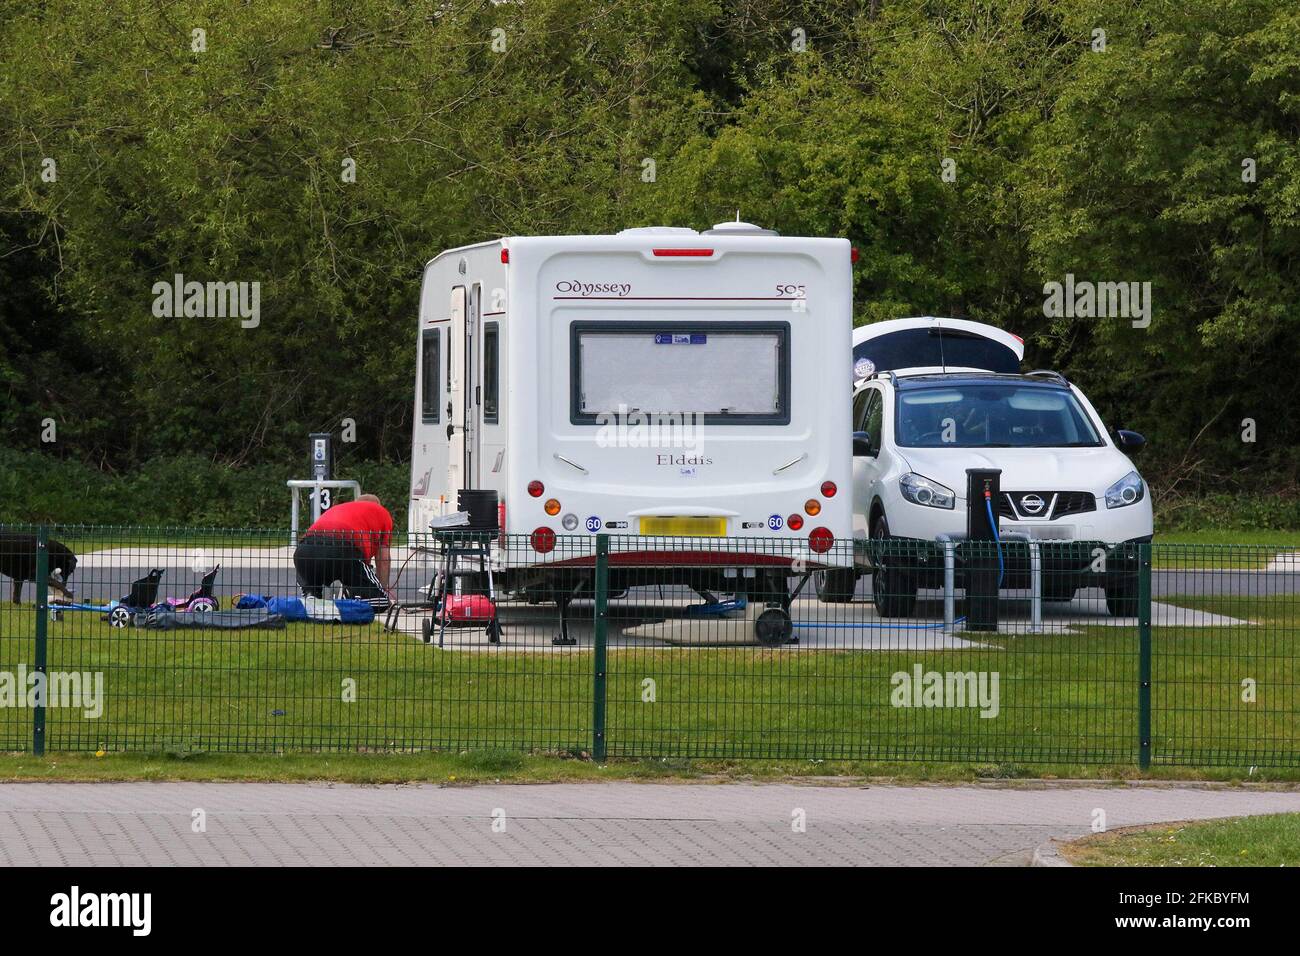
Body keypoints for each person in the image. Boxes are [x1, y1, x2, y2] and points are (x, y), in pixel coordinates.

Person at [293, 494, 395, 609]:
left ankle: (311, 594)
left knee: (310, 567)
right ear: (378, 505)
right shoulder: (381, 512)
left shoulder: (340, 507)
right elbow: (384, 559)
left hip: (304, 550)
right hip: (343, 549)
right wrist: (382, 589)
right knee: (380, 602)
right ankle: (342, 606)